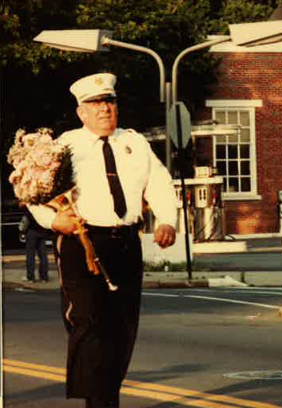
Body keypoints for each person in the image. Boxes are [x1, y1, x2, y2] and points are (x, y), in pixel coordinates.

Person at [28, 73, 177, 408]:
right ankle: (99, 401)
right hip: (83, 244)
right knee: (89, 323)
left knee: (122, 329)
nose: (104, 109)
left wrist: (167, 219)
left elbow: (159, 182)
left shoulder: (135, 143)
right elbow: (32, 190)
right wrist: (53, 220)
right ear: (81, 112)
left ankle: (104, 397)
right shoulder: (64, 146)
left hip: (125, 243)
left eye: (109, 101)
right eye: (95, 104)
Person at [19, 204, 52, 282]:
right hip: (42, 232)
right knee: (43, 256)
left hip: (31, 233)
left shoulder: (30, 208)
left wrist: (22, 230)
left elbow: (25, 221)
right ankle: (44, 277)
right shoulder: (43, 208)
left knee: (30, 255)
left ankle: (30, 277)